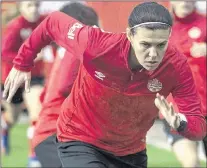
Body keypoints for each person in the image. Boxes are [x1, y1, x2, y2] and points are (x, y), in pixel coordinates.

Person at [3, 2, 206, 168]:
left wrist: (180, 122)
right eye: (145, 44)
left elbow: (198, 127)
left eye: (160, 45)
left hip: (130, 152)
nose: (153, 54)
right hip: (81, 139)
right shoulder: (97, 43)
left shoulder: (177, 66)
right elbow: (53, 22)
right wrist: (22, 63)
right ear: (129, 35)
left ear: (169, 37)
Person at [33, 3, 99, 167]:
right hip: (55, 136)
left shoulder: (65, 51)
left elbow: (46, 95)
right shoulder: (76, 49)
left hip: (52, 135)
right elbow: (64, 87)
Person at [1, 1, 45, 166]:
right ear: (21, 8)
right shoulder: (15, 26)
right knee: (13, 116)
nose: (34, 9)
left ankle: (34, 158)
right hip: (14, 78)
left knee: (37, 113)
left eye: (36, 5)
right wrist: (28, 58)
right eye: (29, 5)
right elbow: (5, 53)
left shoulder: (43, 23)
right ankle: (5, 127)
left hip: (35, 78)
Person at [163, 2, 206, 166]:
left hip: (204, 103)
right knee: (191, 163)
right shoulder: (162, 26)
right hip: (178, 107)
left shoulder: (204, 23)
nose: (186, 1)